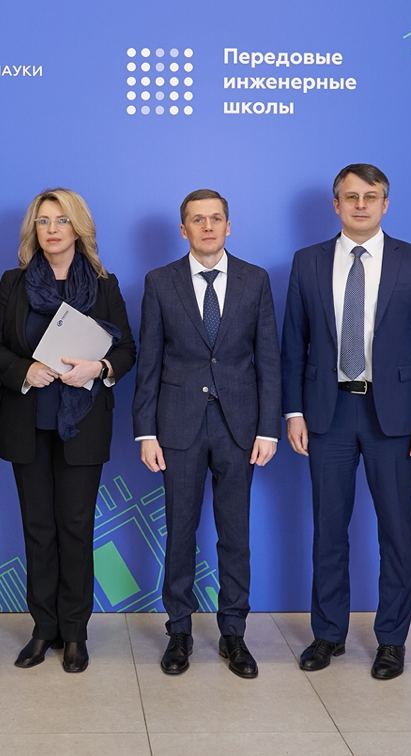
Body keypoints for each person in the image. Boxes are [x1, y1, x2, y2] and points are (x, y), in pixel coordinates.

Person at [280, 163, 411, 680]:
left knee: (396, 531)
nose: (360, 205)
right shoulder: (307, 261)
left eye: (370, 196)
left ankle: (392, 640)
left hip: (394, 418)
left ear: (385, 204)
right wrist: (293, 411)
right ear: (335, 204)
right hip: (327, 413)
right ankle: (328, 634)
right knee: (328, 529)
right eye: (350, 196)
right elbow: (293, 346)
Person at [0, 189, 136, 673]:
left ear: (78, 228)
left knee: (75, 527)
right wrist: (24, 370)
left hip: (83, 425)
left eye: (61, 220)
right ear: (34, 229)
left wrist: (99, 368)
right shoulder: (13, 283)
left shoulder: (104, 285)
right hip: (27, 422)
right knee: (38, 528)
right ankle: (42, 628)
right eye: (44, 221)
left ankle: (74, 632)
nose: (52, 230)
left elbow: (127, 351)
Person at [132, 189, 281, 679]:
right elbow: (149, 362)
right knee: (180, 531)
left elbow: (269, 360)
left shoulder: (256, 280)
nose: (208, 227)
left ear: (229, 226)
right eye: (198, 220)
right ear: (184, 230)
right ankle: (179, 630)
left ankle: (233, 632)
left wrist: (268, 428)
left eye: (216, 218)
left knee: (235, 534)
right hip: (178, 426)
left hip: (240, 426)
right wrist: (145, 433)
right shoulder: (160, 282)